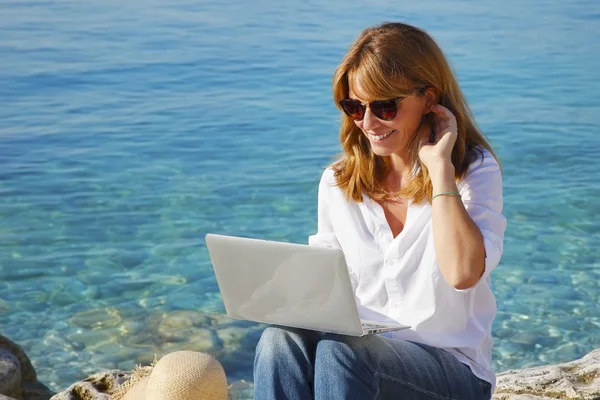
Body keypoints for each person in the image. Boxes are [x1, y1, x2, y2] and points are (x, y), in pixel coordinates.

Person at [253, 21, 506, 400]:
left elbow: (462, 273)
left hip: (452, 372)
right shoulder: (338, 182)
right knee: (278, 342)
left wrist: (440, 170)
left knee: (344, 352)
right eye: (355, 107)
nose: (368, 123)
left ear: (428, 98)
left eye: (385, 107)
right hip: (360, 360)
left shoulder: (473, 171)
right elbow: (323, 287)